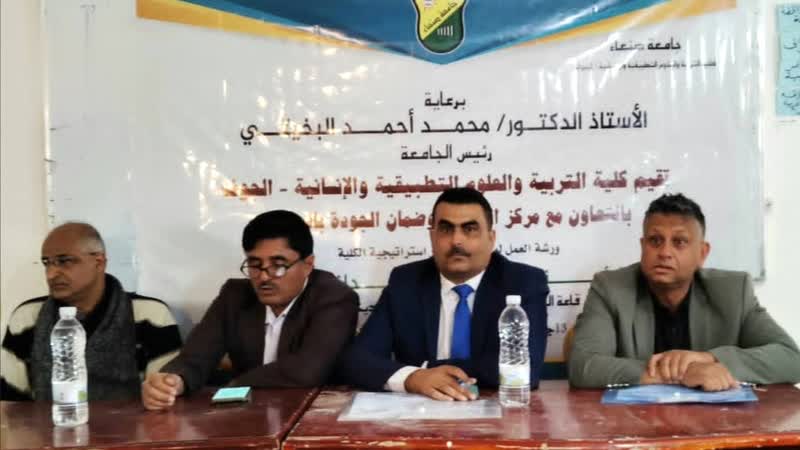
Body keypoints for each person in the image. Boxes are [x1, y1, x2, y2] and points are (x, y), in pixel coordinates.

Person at [569, 193, 800, 390]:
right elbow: (583, 367)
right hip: (634, 422)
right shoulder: (610, 288)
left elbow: (791, 358)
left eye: (679, 242)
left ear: (702, 253)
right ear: (642, 246)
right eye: (655, 240)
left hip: (715, 423)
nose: (664, 252)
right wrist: (677, 373)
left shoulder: (733, 292)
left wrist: (709, 360)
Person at [338, 187, 549, 401]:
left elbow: (525, 370)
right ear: (432, 236)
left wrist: (426, 370)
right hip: (420, 411)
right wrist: (414, 379)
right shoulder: (406, 281)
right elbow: (359, 360)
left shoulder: (523, 282)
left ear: (491, 238)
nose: (456, 240)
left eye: (470, 229)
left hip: (499, 407)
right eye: (446, 229)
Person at [142, 210, 359, 410]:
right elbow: (195, 357)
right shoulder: (234, 296)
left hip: (313, 416)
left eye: (278, 265)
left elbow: (307, 370)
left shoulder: (334, 298)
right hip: (249, 416)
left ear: (308, 264)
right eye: (255, 265)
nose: (264, 276)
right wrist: (172, 381)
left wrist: (234, 385)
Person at [1, 222, 182, 401]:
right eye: (47, 263)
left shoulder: (149, 315)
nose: (51, 274)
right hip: (49, 420)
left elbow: (163, 399)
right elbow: (9, 401)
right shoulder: (28, 317)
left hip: (133, 421)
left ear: (99, 262)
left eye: (65, 261)